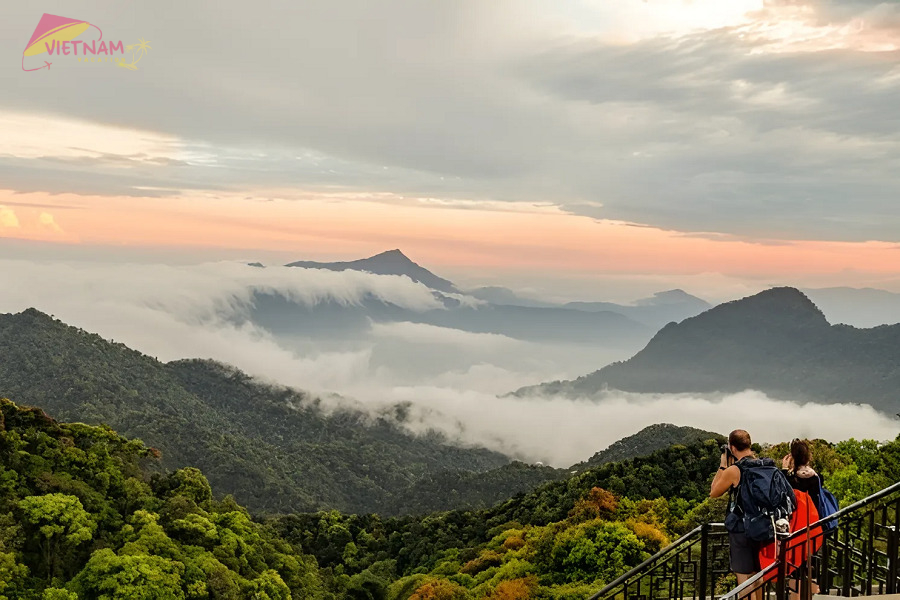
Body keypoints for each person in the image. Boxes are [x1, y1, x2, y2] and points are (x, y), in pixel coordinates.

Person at [711, 429, 762, 599]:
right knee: (758, 576)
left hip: (742, 529)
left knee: (744, 578)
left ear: (732, 448)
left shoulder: (734, 470)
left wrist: (723, 465)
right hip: (763, 527)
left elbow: (714, 492)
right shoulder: (764, 465)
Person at [782, 438, 822, 599]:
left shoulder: (790, 480)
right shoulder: (816, 478)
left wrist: (785, 469)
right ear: (808, 457)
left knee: (795, 569)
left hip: (795, 530)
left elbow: (781, 494)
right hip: (814, 529)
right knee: (810, 568)